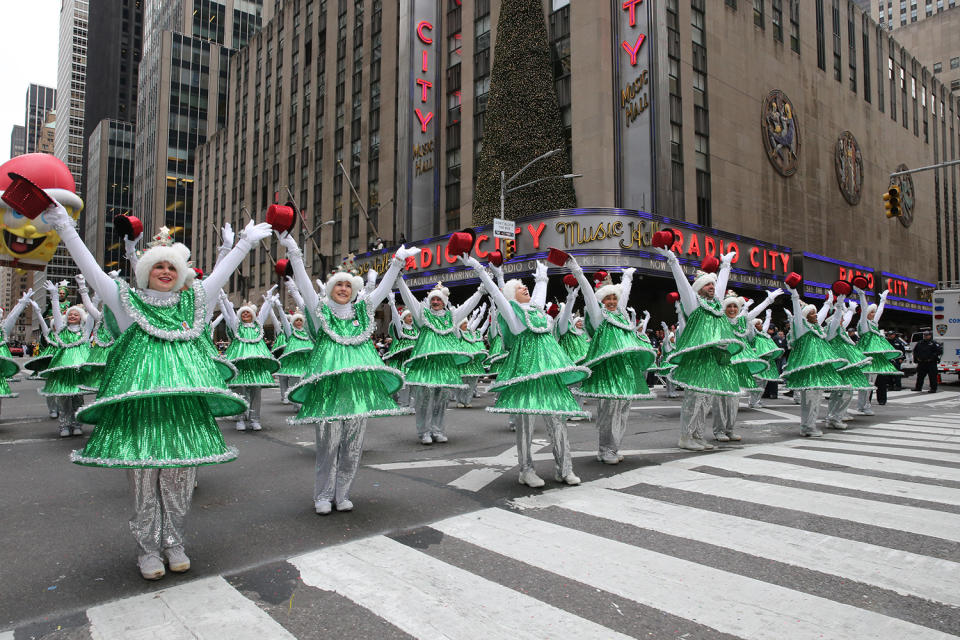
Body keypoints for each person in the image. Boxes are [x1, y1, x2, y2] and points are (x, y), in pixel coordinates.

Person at [47, 196, 271, 581]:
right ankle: (148, 549)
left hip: (183, 410)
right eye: (158, 266)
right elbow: (91, 267)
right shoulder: (125, 303)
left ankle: (174, 542)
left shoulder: (193, 306)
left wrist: (244, 245)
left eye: (172, 266)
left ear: (180, 273)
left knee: (180, 477)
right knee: (144, 480)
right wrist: (65, 226)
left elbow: (218, 277)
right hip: (141, 411)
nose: (165, 271)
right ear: (145, 272)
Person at [277, 231, 419, 514]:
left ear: (353, 290)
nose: (343, 289)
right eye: (338, 285)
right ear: (330, 290)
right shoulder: (320, 312)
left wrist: (396, 263)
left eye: (347, 286)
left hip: (357, 391)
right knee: (328, 446)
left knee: (353, 447)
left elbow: (379, 291)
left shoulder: (363, 312)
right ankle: (323, 494)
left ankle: (342, 494)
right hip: (329, 391)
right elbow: (304, 285)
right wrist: (294, 250)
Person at [460, 256, 588, 486]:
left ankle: (564, 469)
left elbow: (539, 292)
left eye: (525, 286)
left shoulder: (538, 312)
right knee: (526, 423)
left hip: (549, 372)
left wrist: (542, 276)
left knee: (557, 420)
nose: (524, 288)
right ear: (512, 296)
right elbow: (497, 294)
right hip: (525, 372)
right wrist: (479, 269)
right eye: (520, 288)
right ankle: (526, 470)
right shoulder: (512, 312)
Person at [652, 247, 743, 451]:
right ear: (700, 288)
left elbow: (722, 284)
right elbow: (683, 284)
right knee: (693, 399)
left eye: (713, 283)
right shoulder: (694, 303)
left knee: (706, 400)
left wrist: (725, 265)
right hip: (697, 359)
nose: (712, 287)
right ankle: (686, 436)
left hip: (713, 359)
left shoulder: (717, 305)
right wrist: (673, 260)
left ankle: (698, 435)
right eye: (707, 284)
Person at [567, 260, 655, 463]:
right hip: (608, 373)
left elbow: (625, 295)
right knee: (609, 412)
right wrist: (579, 274)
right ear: (602, 301)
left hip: (625, 372)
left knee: (623, 410)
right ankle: (605, 449)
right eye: (608, 298)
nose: (613, 301)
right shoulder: (599, 317)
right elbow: (589, 297)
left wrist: (627, 278)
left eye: (615, 298)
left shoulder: (622, 316)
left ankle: (613, 448)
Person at [396, 278, 483, 444]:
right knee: (424, 398)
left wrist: (480, 291)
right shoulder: (423, 314)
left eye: (439, 299)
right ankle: (424, 431)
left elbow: (467, 306)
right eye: (433, 299)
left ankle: (437, 430)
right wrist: (399, 279)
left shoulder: (451, 316)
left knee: (441, 398)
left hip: (444, 365)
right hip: (426, 363)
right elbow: (409, 298)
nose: (436, 302)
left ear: (444, 302)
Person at [781, 286, 849, 437]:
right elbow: (798, 315)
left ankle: (809, 426)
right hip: (808, 370)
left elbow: (833, 319)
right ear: (806, 317)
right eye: (812, 313)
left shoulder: (819, 331)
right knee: (810, 399)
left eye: (815, 313)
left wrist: (837, 305)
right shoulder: (801, 328)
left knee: (816, 398)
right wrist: (794, 295)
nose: (815, 315)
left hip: (818, 370)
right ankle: (807, 427)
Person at [35, 279, 94, 437]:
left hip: (78, 371)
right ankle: (64, 425)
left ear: (81, 318)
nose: (72, 316)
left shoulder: (85, 332)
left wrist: (95, 297)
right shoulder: (61, 329)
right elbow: (55, 314)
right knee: (63, 399)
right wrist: (54, 296)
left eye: (76, 314)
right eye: (70, 314)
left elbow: (92, 314)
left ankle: (76, 424)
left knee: (77, 398)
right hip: (62, 370)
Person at [219, 290, 280, 432]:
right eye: (243, 313)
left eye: (248, 313)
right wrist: (224, 300)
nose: (246, 315)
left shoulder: (258, 327)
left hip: (256, 366)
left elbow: (264, 312)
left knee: (256, 393)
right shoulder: (237, 327)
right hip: (241, 365)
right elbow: (231, 315)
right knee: (240, 392)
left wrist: (269, 301)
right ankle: (240, 418)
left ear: (253, 315)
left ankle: (255, 419)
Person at [852, 287, 902, 412]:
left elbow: (880, 312)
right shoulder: (863, 324)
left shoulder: (873, 324)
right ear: (867, 313)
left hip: (874, 357)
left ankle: (865, 405)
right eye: (872, 312)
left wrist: (883, 301)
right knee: (866, 382)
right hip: (865, 355)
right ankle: (863, 405)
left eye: (874, 312)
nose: (874, 314)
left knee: (871, 382)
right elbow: (864, 310)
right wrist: (862, 295)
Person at [271, 277, 316, 404]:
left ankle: (301, 401)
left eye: (300, 320)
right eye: (296, 320)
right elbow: (284, 322)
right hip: (293, 363)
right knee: (292, 381)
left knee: (304, 381)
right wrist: (279, 308)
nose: (299, 322)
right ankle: (290, 399)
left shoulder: (307, 332)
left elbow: (310, 318)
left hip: (305, 362)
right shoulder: (291, 332)